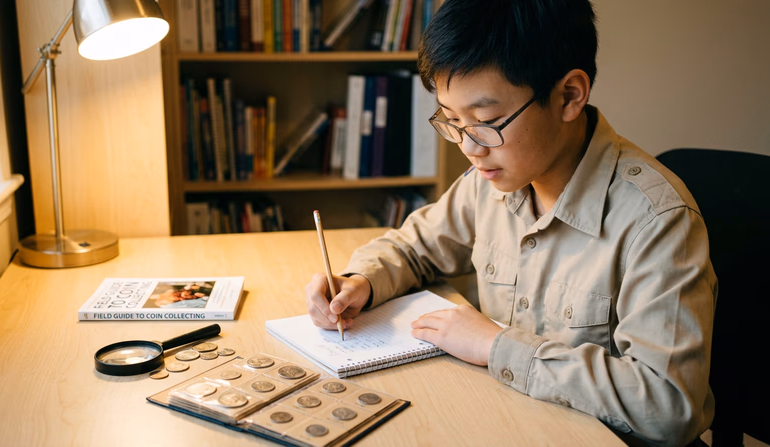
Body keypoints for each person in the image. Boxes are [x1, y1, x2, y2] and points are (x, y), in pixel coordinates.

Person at [304, 0, 716, 445]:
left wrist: (497, 347)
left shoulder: (657, 221)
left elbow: (669, 405)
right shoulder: (495, 179)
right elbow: (413, 247)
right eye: (453, 120)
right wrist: (359, 281)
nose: (469, 146)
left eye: (485, 121)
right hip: (506, 420)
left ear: (569, 96)